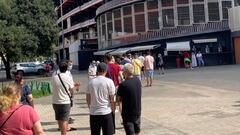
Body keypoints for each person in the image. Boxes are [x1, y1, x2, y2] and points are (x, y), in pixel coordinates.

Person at [86, 62, 115, 135]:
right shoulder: (109, 81)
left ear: (97, 70)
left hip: (94, 112)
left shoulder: (90, 82)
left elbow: (88, 98)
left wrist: (90, 107)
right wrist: (113, 110)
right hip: (106, 111)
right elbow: (112, 98)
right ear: (106, 70)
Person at [52, 61, 80, 135]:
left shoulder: (54, 77)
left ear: (59, 68)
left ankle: (62, 132)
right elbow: (72, 90)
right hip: (65, 101)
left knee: (59, 118)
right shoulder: (68, 78)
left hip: (55, 101)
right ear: (67, 68)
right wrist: (72, 96)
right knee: (64, 120)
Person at [117, 63, 142, 135]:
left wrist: (120, 109)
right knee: (137, 131)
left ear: (125, 72)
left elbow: (119, 100)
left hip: (127, 114)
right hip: (137, 111)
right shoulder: (138, 81)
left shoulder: (123, 85)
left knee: (130, 132)